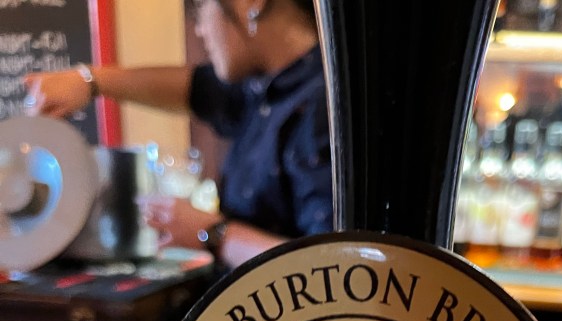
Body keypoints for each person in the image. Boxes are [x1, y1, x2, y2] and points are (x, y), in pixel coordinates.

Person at [23, 0, 333, 269]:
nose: (199, 29)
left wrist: (213, 234)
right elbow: (197, 88)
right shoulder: (269, 88)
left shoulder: (321, 108)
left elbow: (330, 268)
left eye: (201, 6)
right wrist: (91, 81)